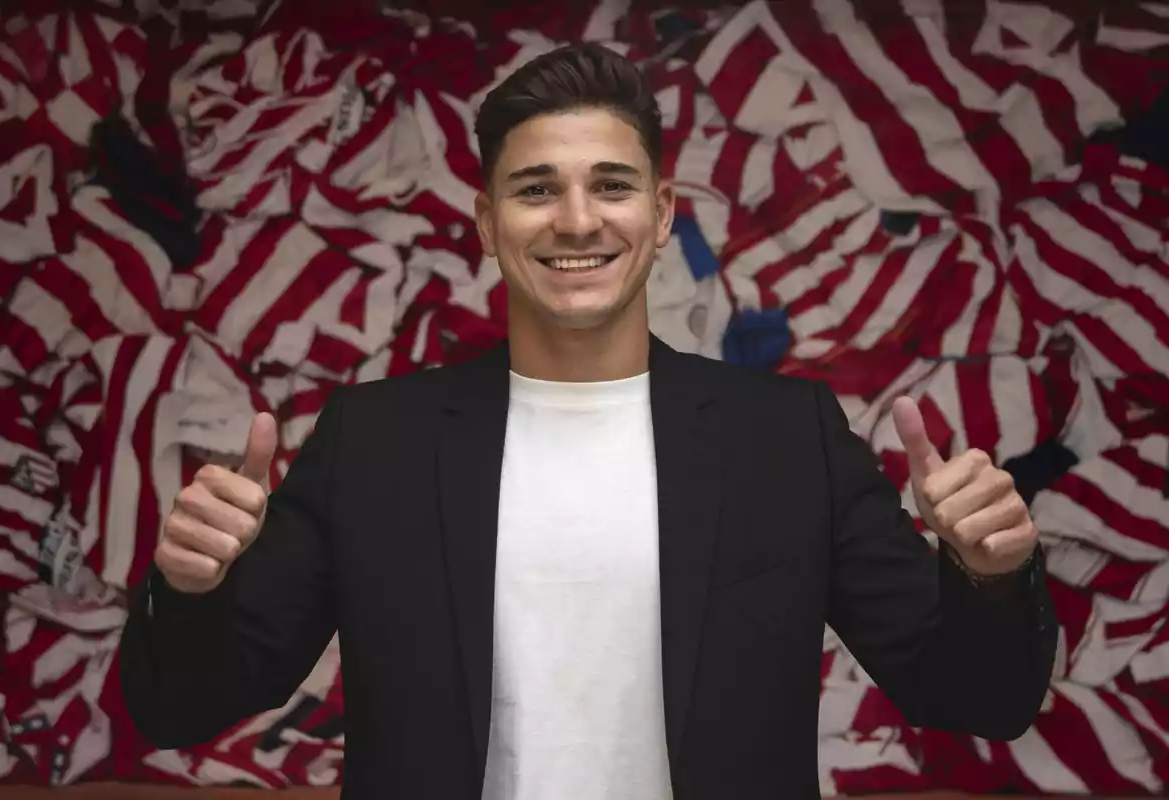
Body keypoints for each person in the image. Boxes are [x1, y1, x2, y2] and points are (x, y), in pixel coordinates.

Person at [119, 43, 1058, 799]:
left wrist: (992, 577)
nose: (577, 220)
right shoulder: (375, 442)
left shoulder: (787, 437)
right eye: (536, 190)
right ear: (486, 225)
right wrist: (187, 588)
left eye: (611, 186)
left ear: (659, 214)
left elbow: (976, 696)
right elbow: (184, 708)